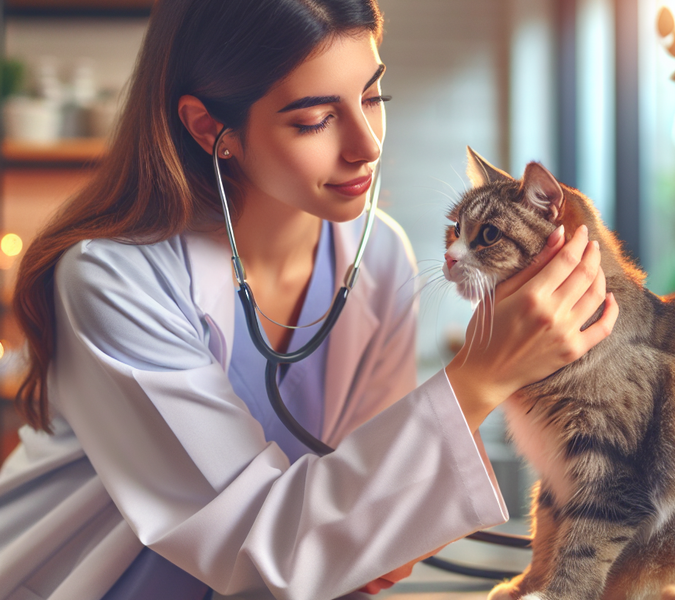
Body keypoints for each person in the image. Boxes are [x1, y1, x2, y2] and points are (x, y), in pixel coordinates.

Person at [0, 1, 619, 599]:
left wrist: (368, 539)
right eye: (313, 118)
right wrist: (484, 374)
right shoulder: (116, 279)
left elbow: (354, 511)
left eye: (373, 96)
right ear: (211, 127)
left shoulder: (377, 255)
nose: (366, 145)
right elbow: (252, 542)